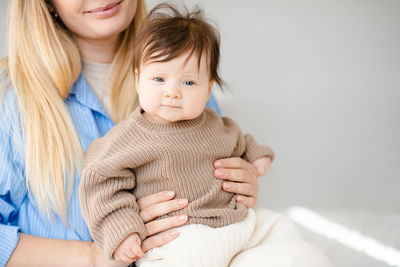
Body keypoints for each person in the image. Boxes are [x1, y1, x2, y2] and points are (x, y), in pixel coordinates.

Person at [0, 1, 274, 266]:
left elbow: (226, 148)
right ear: (47, 3)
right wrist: (94, 257)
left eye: (189, 82)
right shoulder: (9, 98)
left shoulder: (189, 75)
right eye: (158, 80)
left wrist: (241, 182)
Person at [79, 4, 276, 266]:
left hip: (235, 222)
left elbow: (238, 139)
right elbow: (100, 183)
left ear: (208, 90)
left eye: (189, 82)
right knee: (189, 258)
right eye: (159, 79)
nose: (173, 92)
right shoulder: (127, 138)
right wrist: (123, 231)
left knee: (282, 230)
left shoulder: (215, 123)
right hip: (179, 233)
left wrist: (256, 158)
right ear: (138, 80)